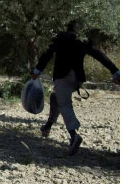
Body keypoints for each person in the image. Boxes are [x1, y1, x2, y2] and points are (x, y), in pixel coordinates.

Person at [32, 21, 119, 156]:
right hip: (77, 79)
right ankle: (48, 126)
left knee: (65, 104)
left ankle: (74, 136)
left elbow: (48, 54)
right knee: (56, 98)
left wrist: (37, 70)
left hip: (63, 76)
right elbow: (99, 55)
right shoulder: (83, 40)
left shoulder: (61, 37)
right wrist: (115, 72)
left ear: (67, 28)